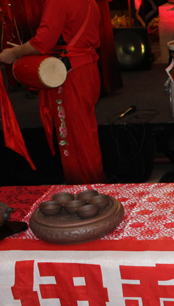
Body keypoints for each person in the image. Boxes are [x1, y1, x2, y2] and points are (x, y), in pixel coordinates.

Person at [0, 0, 106, 185]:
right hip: (86, 68)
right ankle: (91, 189)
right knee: (84, 134)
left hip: (71, 74)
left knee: (75, 139)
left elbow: (42, 42)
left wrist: (14, 53)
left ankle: (85, 191)